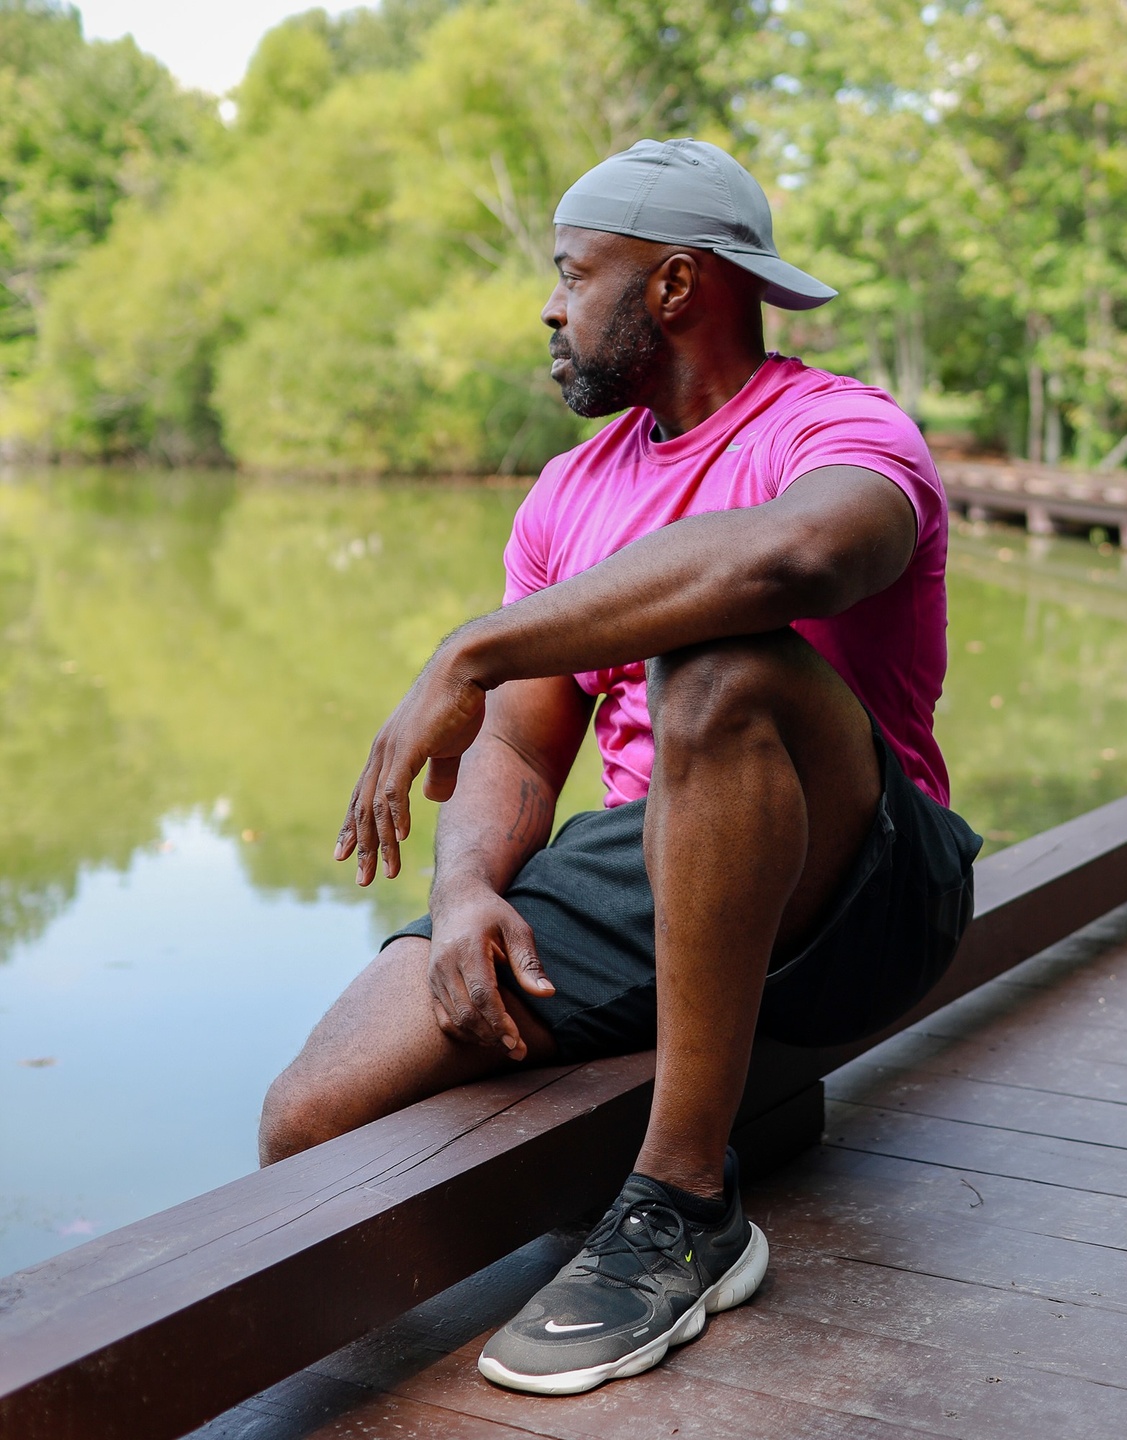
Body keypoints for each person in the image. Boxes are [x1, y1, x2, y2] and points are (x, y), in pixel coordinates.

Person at [258, 138, 981, 1396]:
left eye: (572, 272)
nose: (551, 307)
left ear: (675, 284)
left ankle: (686, 1205)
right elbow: (520, 747)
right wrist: (464, 891)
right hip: (666, 858)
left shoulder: (841, 427)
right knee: (311, 1116)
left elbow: (798, 560)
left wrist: (470, 647)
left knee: (717, 662)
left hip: (870, 880)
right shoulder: (568, 491)